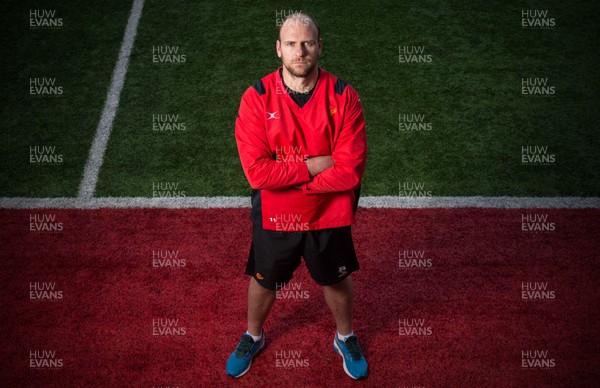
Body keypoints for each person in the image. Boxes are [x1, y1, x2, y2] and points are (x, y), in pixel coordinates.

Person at [227, 12, 368, 380]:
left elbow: (350, 169)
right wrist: (314, 166)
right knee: (264, 279)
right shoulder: (255, 98)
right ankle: (253, 335)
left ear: (321, 47)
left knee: (335, 279)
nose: (300, 51)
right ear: (279, 49)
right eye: (291, 44)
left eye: (307, 43)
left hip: (328, 214)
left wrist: (290, 182)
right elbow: (257, 172)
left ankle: (345, 336)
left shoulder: (343, 96)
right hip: (277, 216)